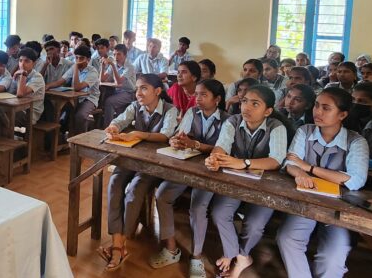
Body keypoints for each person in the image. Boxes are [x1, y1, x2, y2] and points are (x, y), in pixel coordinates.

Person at [278, 88, 369, 278]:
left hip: (339, 209)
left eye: (326, 108)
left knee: (332, 258)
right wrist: (298, 173)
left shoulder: (356, 141)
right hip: (306, 201)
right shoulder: (305, 131)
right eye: (317, 105)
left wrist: (309, 169)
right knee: (287, 239)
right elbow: (290, 163)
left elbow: (355, 180)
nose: (317, 112)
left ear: (342, 114)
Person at [98, 74, 178, 272]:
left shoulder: (169, 109)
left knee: (134, 191)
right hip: (132, 159)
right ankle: (119, 244)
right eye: (137, 89)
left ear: (157, 91)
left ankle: (118, 245)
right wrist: (113, 127)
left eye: (144, 88)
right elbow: (120, 120)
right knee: (114, 184)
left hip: (154, 165)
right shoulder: (135, 106)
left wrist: (138, 134)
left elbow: (166, 134)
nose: (139, 93)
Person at [205, 86, 287, 278]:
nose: (246, 107)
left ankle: (240, 256)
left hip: (266, 187)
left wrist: (243, 163)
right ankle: (235, 254)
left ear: (267, 111)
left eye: (255, 103)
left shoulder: (277, 127)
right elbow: (221, 146)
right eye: (244, 101)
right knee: (219, 212)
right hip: (237, 182)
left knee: (255, 223)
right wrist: (215, 158)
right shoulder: (233, 121)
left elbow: (276, 160)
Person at [151, 79, 226, 277]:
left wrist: (195, 145)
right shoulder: (192, 113)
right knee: (162, 195)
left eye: (204, 95)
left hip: (211, 171)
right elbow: (180, 134)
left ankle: (197, 256)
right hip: (186, 165)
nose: (198, 99)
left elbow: (223, 148)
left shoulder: (228, 119)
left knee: (198, 208)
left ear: (217, 99)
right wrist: (177, 140)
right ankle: (171, 248)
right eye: (197, 94)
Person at [47, 45, 100, 137]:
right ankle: (58, 136)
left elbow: (77, 87)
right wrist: (47, 86)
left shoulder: (93, 71)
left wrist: (75, 67)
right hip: (75, 98)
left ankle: (80, 140)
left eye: (81, 58)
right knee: (55, 109)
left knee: (80, 116)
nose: (78, 60)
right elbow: (60, 81)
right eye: (76, 57)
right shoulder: (74, 68)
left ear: (88, 59)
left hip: (89, 98)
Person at [7, 48, 46, 125]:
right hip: (17, 107)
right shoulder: (18, 74)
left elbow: (20, 94)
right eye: (20, 60)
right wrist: (15, 78)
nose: (22, 64)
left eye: (27, 61)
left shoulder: (38, 77)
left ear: (34, 63)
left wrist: (23, 74)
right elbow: (10, 93)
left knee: (4, 114)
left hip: (30, 113)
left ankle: (7, 136)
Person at [101, 44, 137, 125]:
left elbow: (119, 82)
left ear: (125, 55)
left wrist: (113, 66)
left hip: (129, 93)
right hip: (117, 92)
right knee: (102, 99)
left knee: (109, 102)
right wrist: (102, 66)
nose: (116, 57)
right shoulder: (114, 64)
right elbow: (102, 79)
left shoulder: (130, 67)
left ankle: (107, 127)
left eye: (119, 54)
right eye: (114, 54)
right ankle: (113, 125)